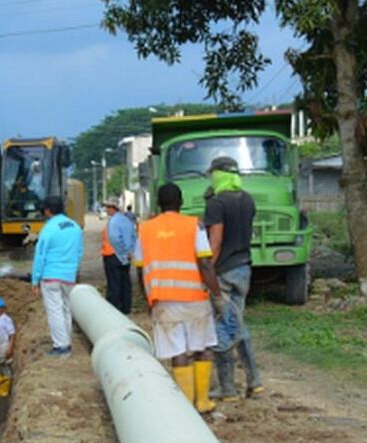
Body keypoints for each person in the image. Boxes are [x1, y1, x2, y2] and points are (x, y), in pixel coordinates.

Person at [134, 183, 226, 414]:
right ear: (181, 202)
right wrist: (216, 294)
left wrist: (147, 298)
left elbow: (139, 269)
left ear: (158, 203)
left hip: (163, 300)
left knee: (178, 351)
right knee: (203, 347)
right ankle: (203, 401)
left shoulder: (144, 229)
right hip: (194, 297)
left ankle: (186, 406)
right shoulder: (193, 225)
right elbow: (205, 263)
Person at [204, 157, 265, 401]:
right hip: (244, 268)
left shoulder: (217, 203)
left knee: (224, 326)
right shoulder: (248, 199)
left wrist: (208, 268)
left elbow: (216, 240)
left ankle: (227, 388)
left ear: (218, 174)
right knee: (238, 323)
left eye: (212, 174)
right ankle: (255, 381)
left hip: (224, 272)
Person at [31, 196, 84, 356]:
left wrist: (35, 279)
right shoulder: (75, 227)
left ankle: (61, 346)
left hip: (51, 276)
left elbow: (40, 255)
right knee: (67, 309)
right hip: (69, 276)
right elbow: (79, 252)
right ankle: (66, 340)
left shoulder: (48, 229)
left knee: (55, 310)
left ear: (48, 210)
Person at [101, 198, 137, 314]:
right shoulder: (127, 220)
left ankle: (113, 311)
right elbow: (133, 237)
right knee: (125, 283)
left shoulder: (114, 221)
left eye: (108, 208)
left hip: (113, 255)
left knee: (114, 285)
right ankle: (126, 308)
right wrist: (129, 253)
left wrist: (121, 253)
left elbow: (114, 238)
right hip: (125, 257)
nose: (107, 210)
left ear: (113, 208)